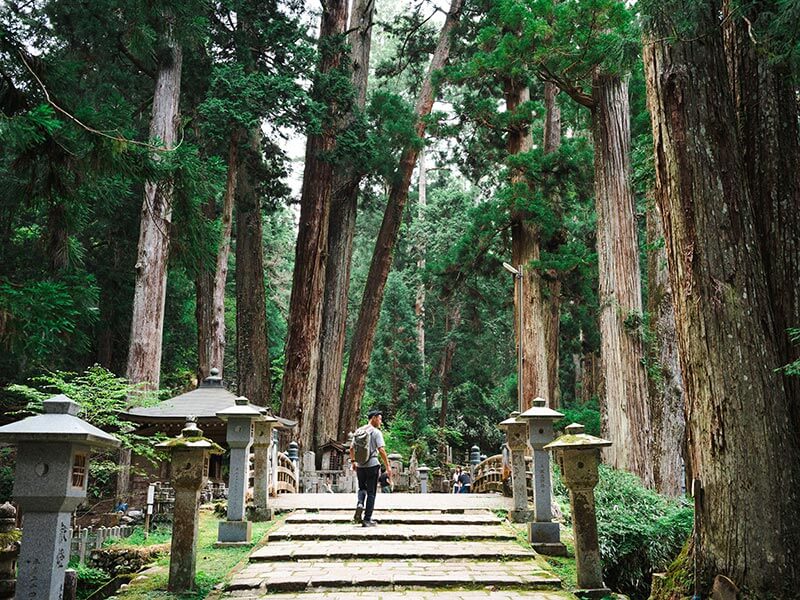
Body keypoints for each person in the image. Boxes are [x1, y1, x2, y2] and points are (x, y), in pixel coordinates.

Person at [350, 408, 392, 527]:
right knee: (371, 492)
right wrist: (388, 466)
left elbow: (351, 449)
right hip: (372, 465)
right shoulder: (376, 432)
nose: (380, 422)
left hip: (360, 466)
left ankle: (359, 503)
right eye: (379, 419)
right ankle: (367, 519)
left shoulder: (359, 431)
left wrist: (353, 462)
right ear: (373, 418)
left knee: (361, 488)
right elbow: (381, 450)